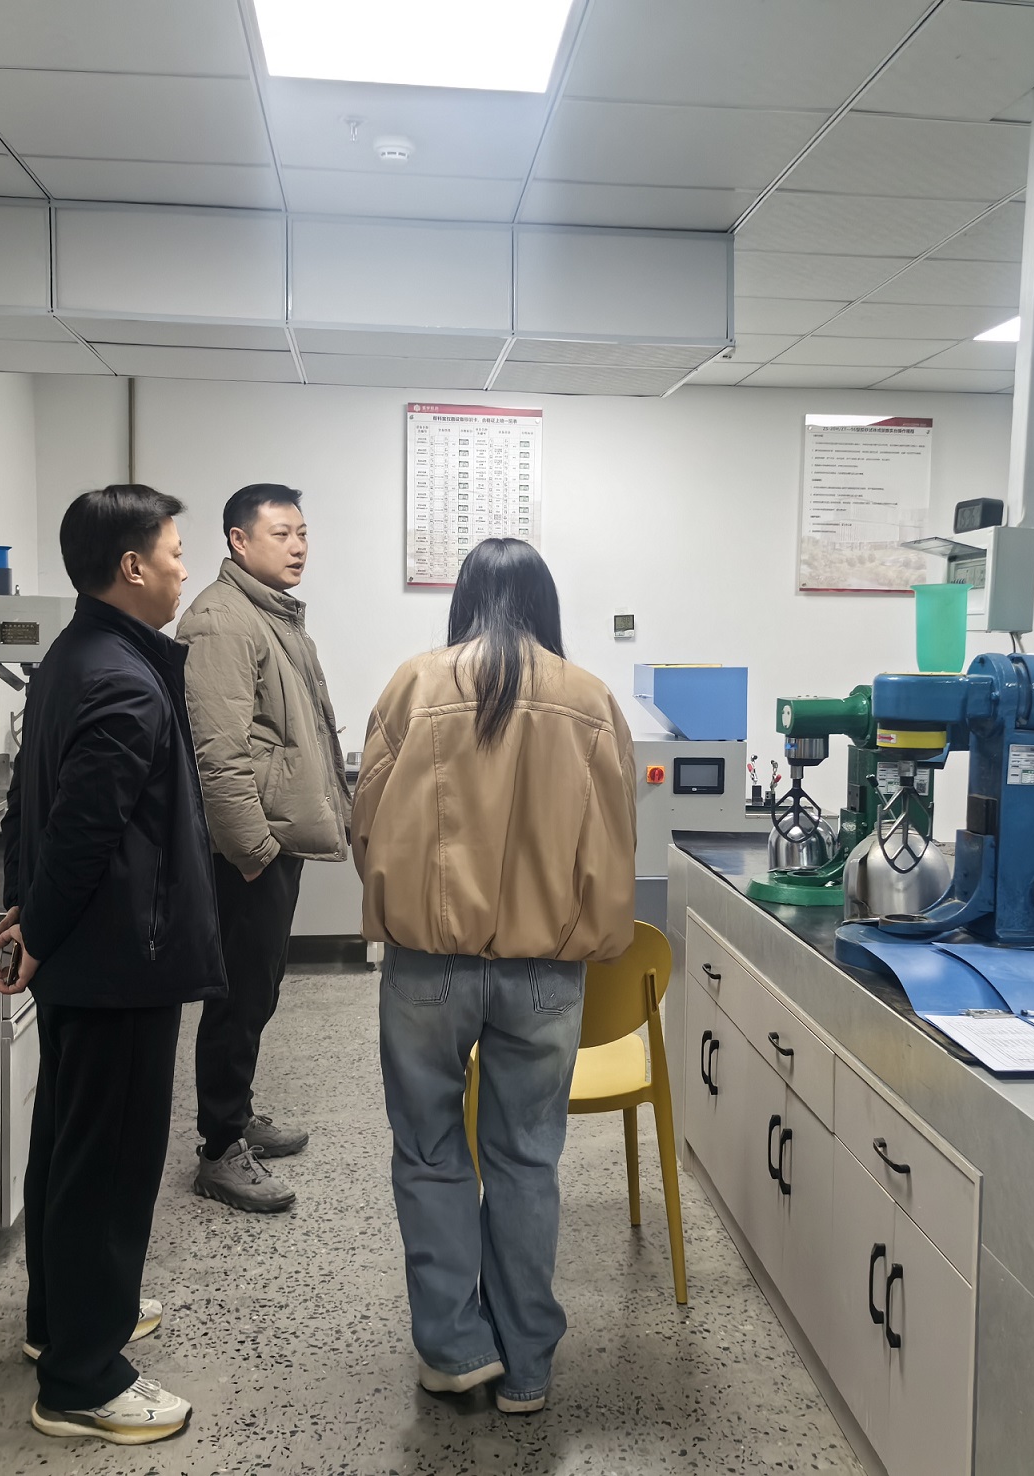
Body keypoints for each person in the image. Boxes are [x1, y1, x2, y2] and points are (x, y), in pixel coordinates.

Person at [352, 538, 636, 1416]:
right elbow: (617, 840)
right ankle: (527, 1367)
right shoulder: (590, 699)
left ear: (464, 600)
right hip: (546, 971)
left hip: (427, 966)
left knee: (429, 1149)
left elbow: (365, 818)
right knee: (526, 1158)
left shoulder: (413, 685)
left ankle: (455, 1349)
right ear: (544, 603)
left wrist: (402, 901)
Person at [0, 484, 225, 1446]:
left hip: (84, 957)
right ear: (131, 566)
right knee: (112, 1165)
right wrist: (39, 929)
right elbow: (84, 832)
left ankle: (61, 1323)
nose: (181, 568)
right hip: (122, 957)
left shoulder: (71, 657)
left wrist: (29, 915)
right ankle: (85, 1379)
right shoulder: (125, 679)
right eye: (173, 553)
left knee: (67, 1144)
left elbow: (28, 804)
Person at [178, 484, 351, 1214]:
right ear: (239, 541)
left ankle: (237, 1112)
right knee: (240, 994)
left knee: (258, 988)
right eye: (281, 533)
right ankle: (219, 1149)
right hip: (250, 848)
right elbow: (216, 755)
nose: (298, 546)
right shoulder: (223, 621)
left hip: (274, 838)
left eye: (302, 532)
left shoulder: (268, 614)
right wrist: (250, 849)